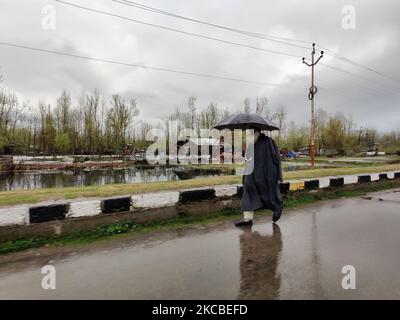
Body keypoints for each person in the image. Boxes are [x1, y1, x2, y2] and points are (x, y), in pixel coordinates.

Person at [235, 129, 283, 226]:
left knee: (270, 193)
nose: (249, 134)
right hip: (251, 174)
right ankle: (247, 219)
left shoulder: (269, 142)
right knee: (247, 192)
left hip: (266, 173)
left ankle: (277, 207)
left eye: (251, 132)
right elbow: (248, 158)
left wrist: (276, 173)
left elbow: (276, 158)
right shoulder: (251, 142)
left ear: (257, 131)